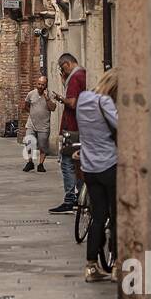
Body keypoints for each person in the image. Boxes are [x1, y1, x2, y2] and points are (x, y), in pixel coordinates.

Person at [76, 69, 119, 282]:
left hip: (89, 168)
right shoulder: (106, 103)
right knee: (118, 215)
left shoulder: (84, 99)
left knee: (99, 216)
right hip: (109, 165)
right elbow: (123, 127)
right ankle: (118, 265)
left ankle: (91, 266)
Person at [49, 53, 87, 213]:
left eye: (62, 68)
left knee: (67, 163)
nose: (62, 71)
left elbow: (72, 102)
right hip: (80, 127)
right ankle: (81, 198)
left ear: (67, 64)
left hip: (72, 128)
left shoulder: (75, 77)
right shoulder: (83, 74)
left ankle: (70, 200)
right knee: (77, 163)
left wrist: (60, 98)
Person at [22, 74, 55, 173]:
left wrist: (47, 98)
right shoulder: (31, 94)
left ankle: (41, 164)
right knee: (28, 142)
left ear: (46, 85)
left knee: (42, 146)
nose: (40, 86)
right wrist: (33, 114)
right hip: (31, 123)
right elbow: (26, 106)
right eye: (39, 84)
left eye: (43, 84)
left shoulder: (50, 95)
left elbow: (52, 108)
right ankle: (30, 162)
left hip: (44, 126)